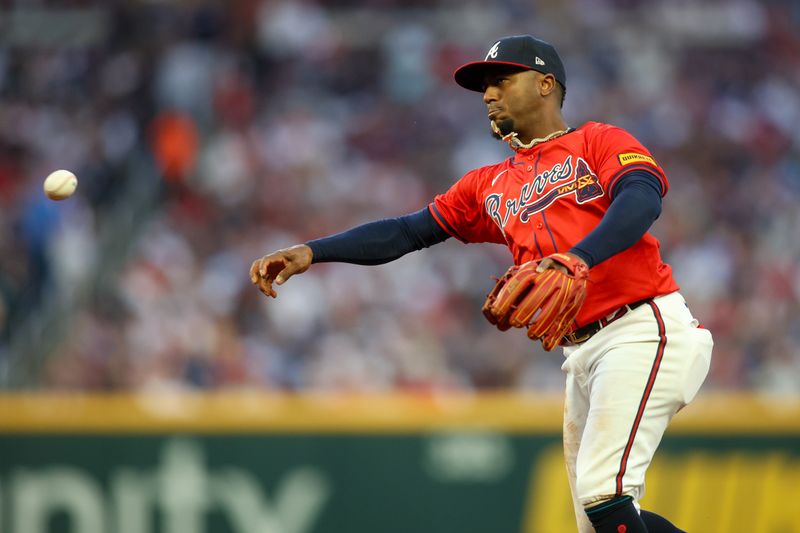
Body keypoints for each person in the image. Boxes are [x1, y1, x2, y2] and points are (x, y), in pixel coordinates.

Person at [250, 35, 714, 533]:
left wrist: (577, 258)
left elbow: (641, 199)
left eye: (501, 80)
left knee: (605, 494)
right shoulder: (487, 185)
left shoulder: (600, 141)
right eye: (484, 87)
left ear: (545, 84)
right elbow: (407, 231)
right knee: (597, 518)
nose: (488, 94)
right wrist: (315, 250)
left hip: (642, 328)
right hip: (583, 352)